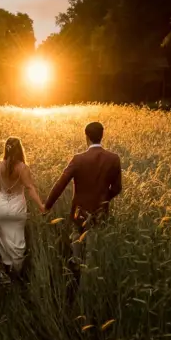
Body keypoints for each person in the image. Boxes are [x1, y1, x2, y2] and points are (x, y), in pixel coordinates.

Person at [43, 121, 122, 302]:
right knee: (95, 254)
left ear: (86, 136)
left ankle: (75, 293)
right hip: (101, 214)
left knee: (77, 254)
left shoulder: (78, 159)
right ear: (102, 136)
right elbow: (117, 188)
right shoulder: (113, 158)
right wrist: (104, 199)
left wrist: (47, 206)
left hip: (78, 214)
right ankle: (94, 293)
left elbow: (60, 185)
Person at [0, 136, 46, 284]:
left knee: (4, 240)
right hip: (17, 207)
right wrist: (41, 206)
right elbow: (30, 188)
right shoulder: (23, 168)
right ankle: (16, 275)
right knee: (18, 241)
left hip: (2, 207)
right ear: (20, 150)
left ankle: (6, 272)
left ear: (6, 149)